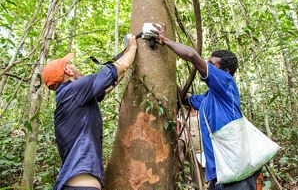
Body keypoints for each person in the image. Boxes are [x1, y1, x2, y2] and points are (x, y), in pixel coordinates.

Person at [153, 23, 263, 190]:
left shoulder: (226, 85)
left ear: (225, 71)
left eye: (213, 64)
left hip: (239, 173)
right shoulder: (206, 99)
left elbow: (191, 55)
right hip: (219, 176)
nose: (207, 65)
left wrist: (165, 40)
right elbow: (185, 99)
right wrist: (166, 78)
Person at [41, 34, 137, 190]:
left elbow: (104, 90)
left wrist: (121, 71)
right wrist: (132, 47)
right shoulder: (74, 89)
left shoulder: (69, 96)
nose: (74, 66)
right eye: (71, 64)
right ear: (68, 71)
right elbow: (115, 69)